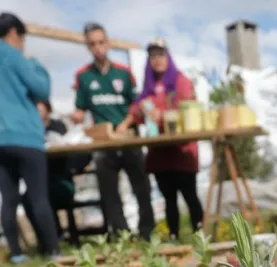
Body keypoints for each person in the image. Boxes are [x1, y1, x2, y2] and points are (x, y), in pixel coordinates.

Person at [0, 10, 61, 263]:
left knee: (8, 199)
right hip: (25, 137)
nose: (23, 45)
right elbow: (42, 88)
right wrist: (31, 62)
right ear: (13, 33)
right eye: (23, 39)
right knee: (38, 196)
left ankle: (17, 255)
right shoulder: (14, 56)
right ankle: (53, 251)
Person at [71, 23, 155, 240]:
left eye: (101, 42)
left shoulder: (123, 73)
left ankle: (147, 232)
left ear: (107, 43)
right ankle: (121, 235)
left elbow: (137, 104)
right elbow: (80, 108)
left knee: (142, 187)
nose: (98, 48)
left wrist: (126, 123)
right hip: (103, 142)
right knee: (109, 192)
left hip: (128, 138)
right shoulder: (83, 77)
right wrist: (77, 116)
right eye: (92, 44)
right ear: (87, 47)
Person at [120, 38, 202, 241]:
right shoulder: (148, 88)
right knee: (169, 198)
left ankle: (200, 236)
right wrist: (126, 123)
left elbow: (188, 108)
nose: (157, 60)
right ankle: (174, 237)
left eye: (160, 54)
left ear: (168, 56)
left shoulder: (180, 81)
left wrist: (163, 115)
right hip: (160, 154)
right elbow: (136, 110)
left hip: (182, 151)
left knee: (189, 195)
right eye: (153, 56)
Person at [23, 100, 83, 248]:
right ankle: (45, 240)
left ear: (47, 109)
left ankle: (56, 237)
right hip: (40, 182)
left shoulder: (58, 126)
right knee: (27, 198)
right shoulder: (28, 130)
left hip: (61, 180)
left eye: (40, 109)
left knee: (43, 195)